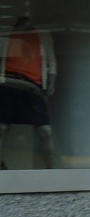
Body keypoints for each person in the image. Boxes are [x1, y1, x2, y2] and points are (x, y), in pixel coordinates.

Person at [0, 15, 57, 169]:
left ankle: (51, 169)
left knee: (45, 130)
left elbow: (51, 63)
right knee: (1, 128)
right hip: (9, 83)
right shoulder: (7, 34)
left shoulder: (43, 35)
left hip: (33, 86)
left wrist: (51, 83)